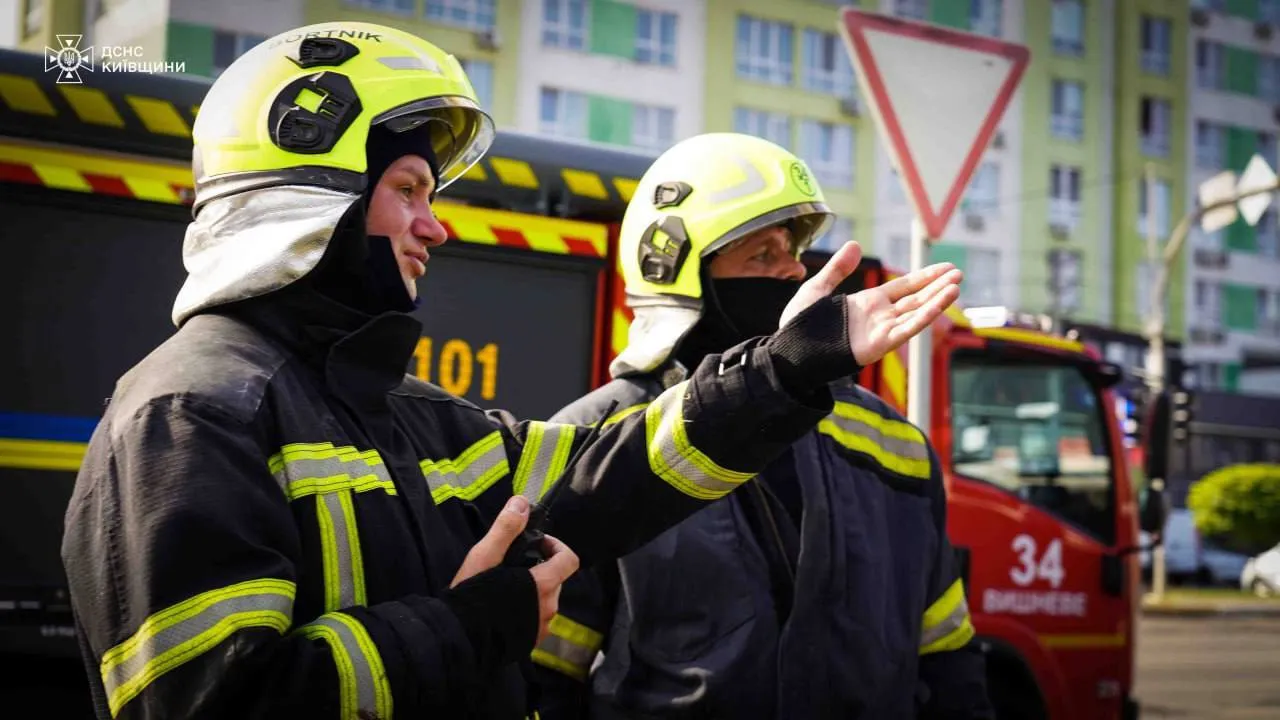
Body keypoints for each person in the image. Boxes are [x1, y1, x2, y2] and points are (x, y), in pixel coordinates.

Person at [60, 24, 963, 720]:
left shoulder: (401, 412)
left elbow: (606, 473)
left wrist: (789, 371)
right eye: (410, 189)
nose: (435, 225)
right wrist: (471, 625)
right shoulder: (191, 415)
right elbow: (211, 703)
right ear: (313, 187)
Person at [532, 133, 992, 720]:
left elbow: (947, 657)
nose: (793, 272)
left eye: (793, 252)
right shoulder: (601, 437)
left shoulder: (895, 445)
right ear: (675, 268)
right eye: (762, 256)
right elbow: (543, 674)